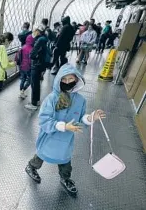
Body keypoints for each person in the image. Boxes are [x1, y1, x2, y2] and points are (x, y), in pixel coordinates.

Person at [24, 64, 106, 195]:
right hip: (49, 138)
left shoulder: (80, 100)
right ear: (59, 80)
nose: (67, 82)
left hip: (66, 141)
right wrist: (64, 126)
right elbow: (44, 120)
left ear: (77, 80)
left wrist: (91, 117)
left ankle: (65, 179)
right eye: (64, 79)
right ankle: (31, 166)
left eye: (70, 79)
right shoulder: (51, 99)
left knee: (65, 162)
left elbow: (80, 119)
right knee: (41, 156)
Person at [24, 25, 48, 111]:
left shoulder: (40, 40)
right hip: (41, 64)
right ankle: (36, 100)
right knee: (37, 83)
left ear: (38, 31)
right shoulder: (45, 38)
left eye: (34, 30)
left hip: (36, 65)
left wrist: (32, 55)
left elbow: (32, 54)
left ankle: (33, 103)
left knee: (34, 84)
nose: (33, 32)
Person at [15, 34, 35, 99]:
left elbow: (17, 57)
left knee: (23, 79)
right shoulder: (32, 49)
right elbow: (31, 60)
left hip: (21, 67)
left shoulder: (22, 47)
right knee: (30, 80)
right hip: (28, 67)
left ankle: (21, 92)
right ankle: (23, 90)